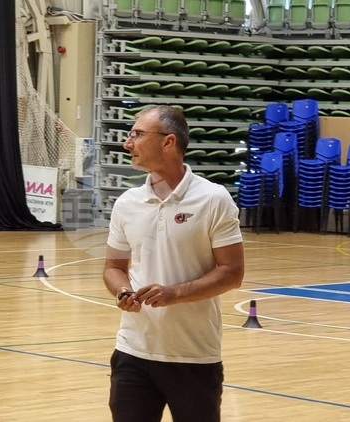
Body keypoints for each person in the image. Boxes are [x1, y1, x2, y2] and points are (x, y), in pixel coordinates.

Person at [103, 105, 245, 422]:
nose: (127, 143)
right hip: (132, 353)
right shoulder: (127, 203)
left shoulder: (214, 198)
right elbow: (113, 267)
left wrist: (174, 294)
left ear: (168, 141)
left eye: (137, 134)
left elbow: (232, 273)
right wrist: (122, 292)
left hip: (194, 357)